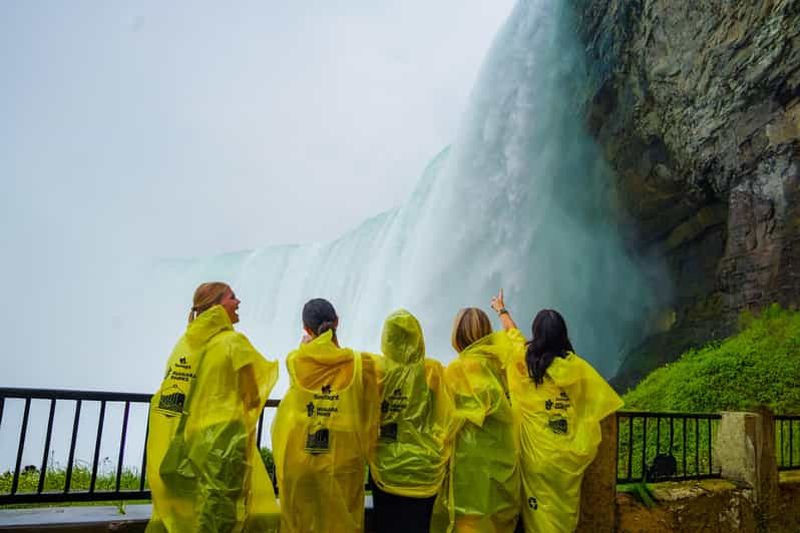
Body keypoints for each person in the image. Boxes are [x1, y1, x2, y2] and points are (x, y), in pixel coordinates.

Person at [146, 282, 280, 533]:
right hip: (224, 441)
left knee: (191, 508)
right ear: (217, 305)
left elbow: (171, 393)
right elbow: (253, 391)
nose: (238, 302)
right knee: (220, 510)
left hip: (187, 439)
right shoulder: (233, 343)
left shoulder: (183, 345)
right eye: (232, 297)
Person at [491, 290, 623, 533]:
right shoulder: (577, 367)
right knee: (562, 514)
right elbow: (601, 402)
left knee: (537, 516)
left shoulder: (523, 363)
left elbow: (513, 336)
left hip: (535, 457)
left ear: (536, 335)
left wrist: (501, 310)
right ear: (562, 335)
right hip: (567, 457)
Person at [271, 298, 379, 533]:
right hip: (343, 460)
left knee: (304, 522)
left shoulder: (295, 360)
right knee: (342, 523)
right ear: (337, 321)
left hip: (301, 457)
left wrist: (307, 347)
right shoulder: (362, 364)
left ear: (306, 329)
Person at [430, 306, 521, 533]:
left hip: (466, 470)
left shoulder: (453, 372)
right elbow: (516, 340)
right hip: (503, 461)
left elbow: (443, 424)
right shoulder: (503, 366)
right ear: (487, 333)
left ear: (457, 335)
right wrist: (503, 312)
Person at [368, 309, 455, 533]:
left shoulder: (377, 369)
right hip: (425, 468)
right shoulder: (433, 370)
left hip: (386, 469)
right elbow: (447, 414)